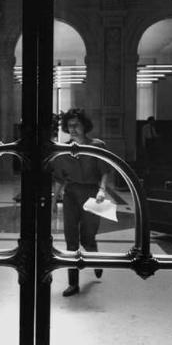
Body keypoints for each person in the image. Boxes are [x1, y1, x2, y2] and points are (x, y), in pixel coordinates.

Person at [50, 108, 112, 297]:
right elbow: (60, 179)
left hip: (92, 194)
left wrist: (102, 190)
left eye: (76, 125)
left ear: (85, 126)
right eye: (70, 125)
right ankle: (73, 283)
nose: (73, 128)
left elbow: (104, 171)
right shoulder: (63, 150)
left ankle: (95, 256)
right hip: (71, 196)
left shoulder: (97, 146)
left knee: (88, 236)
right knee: (71, 240)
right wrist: (54, 200)